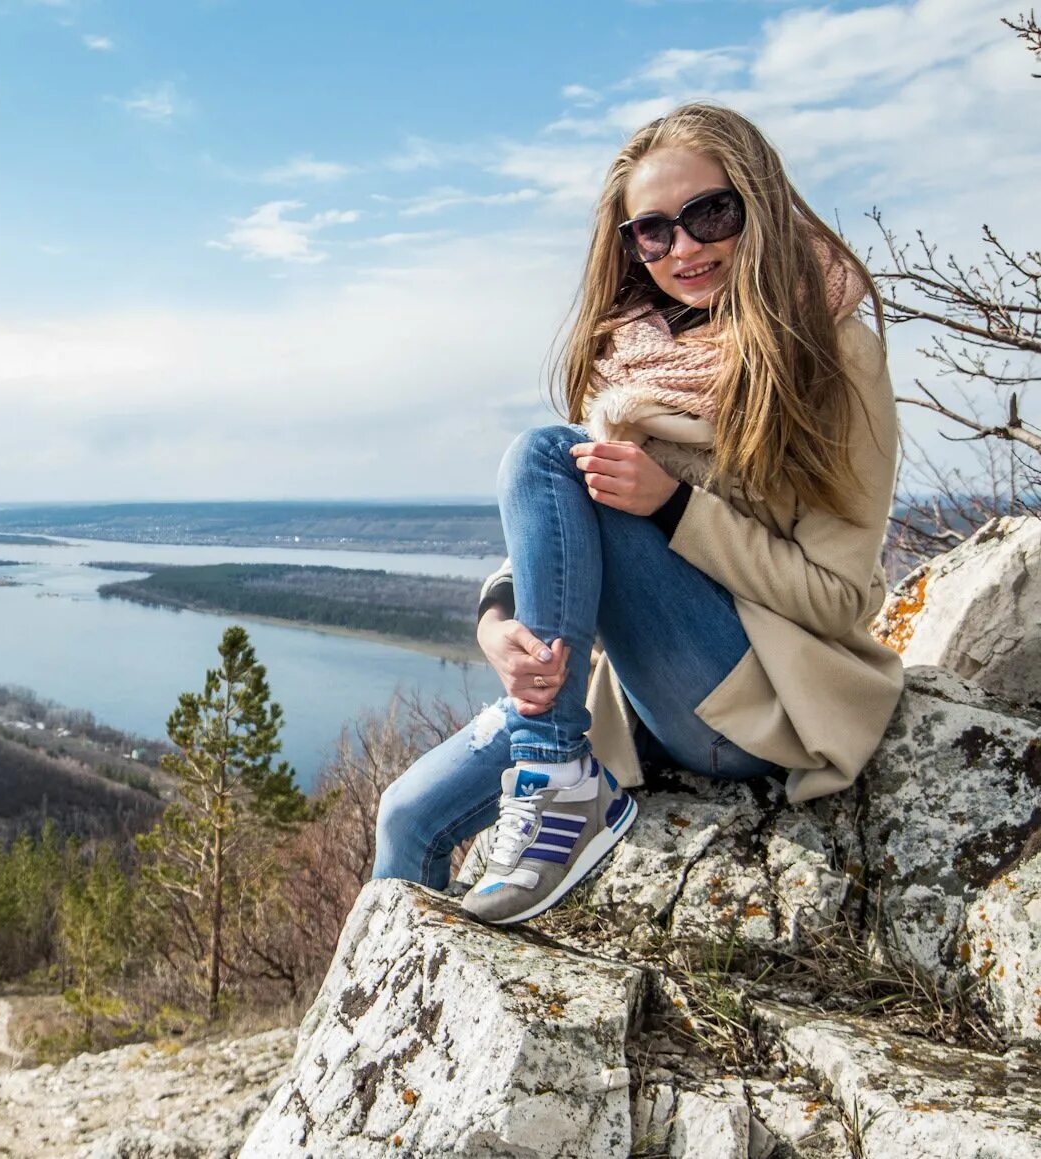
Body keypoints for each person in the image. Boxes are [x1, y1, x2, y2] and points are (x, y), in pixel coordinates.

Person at [371, 101, 906, 926]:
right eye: (653, 231)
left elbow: (838, 593)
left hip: (752, 700)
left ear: (756, 204)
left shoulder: (834, 352)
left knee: (542, 453)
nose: (683, 249)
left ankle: (556, 786)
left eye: (709, 214)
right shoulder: (633, 358)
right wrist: (499, 620)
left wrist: (677, 507)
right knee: (408, 815)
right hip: (636, 695)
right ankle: (381, 1043)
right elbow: (573, 527)